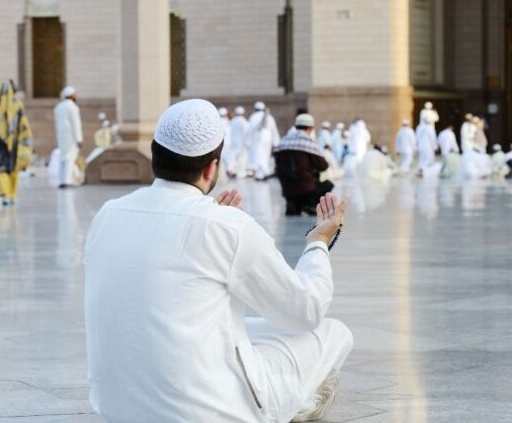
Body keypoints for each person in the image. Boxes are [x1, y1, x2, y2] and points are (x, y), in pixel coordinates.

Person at [84, 100, 351, 422]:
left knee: (243, 328)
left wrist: (222, 230)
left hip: (116, 409)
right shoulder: (225, 226)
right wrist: (318, 242)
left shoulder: (108, 214)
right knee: (330, 331)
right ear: (211, 167)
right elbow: (305, 310)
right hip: (208, 414)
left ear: (155, 154)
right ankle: (299, 404)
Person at [274, 114, 334, 216]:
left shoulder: (283, 142)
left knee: (296, 192)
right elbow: (323, 166)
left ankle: (293, 204)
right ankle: (310, 204)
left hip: (287, 189)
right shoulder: (308, 143)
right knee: (328, 184)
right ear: (310, 128)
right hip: (306, 188)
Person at [0, 80, 33, 205]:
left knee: (5, 167)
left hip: (2, 141)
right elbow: (23, 124)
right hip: (11, 142)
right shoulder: (16, 103)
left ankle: (6, 194)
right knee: (10, 167)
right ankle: (11, 194)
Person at [54, 86, 84, 188]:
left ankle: (62, 180)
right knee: (70, 158)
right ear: (71, 95)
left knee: (63, 158)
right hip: (71, 136)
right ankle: (67, 180)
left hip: (61, 136)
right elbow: (76, 124)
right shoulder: (72, 107)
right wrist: (79, 139)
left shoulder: (58, 107)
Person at [246, 101, 281, 180]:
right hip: (268, 138)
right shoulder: (270, 117)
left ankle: (262, 173)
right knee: (265, 155)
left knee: (259, 156)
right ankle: (264, 172)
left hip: (257, 139)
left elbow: (249, 130)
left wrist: (248, 142)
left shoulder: (253, 116)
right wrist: (276, 142)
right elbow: (274, 129)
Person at [226, 106, 249, 178]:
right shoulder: (243, 121)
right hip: (241, 142)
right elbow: (246, 132)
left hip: (233, 141)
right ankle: (238, 172)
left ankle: (231, 169)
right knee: (241, 158)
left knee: (233, 156)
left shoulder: (233, 120)